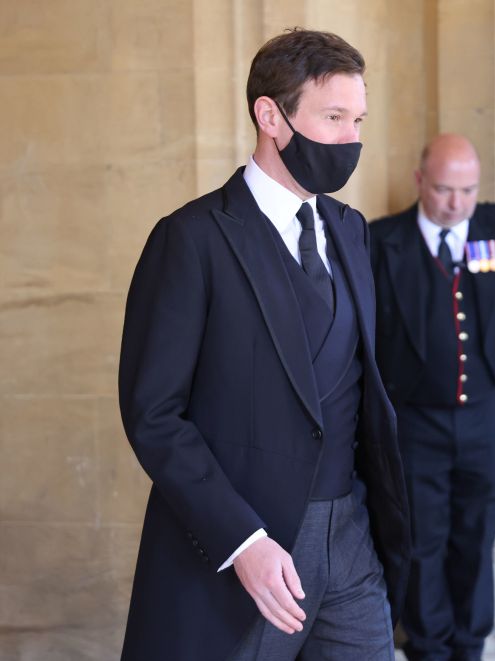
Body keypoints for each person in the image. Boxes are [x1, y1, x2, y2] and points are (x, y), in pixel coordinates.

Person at [117, 29, 410, 661]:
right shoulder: (191, 239)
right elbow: (154, 414)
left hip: (351, 541)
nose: (350, 139)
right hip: (245, 553)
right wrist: (242, 541)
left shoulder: (351, 230)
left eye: (357, 119)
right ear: (270, 116)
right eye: (333, 117)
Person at [368, 133, 495, 661]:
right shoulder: (383, 241)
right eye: (446, 189)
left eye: (468, 190)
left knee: (477, 538)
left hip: (488, 419)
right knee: (421, 544)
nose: (457, 203)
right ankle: (427, 648)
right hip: (414, 423)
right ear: (420, 181)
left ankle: (470, 648)